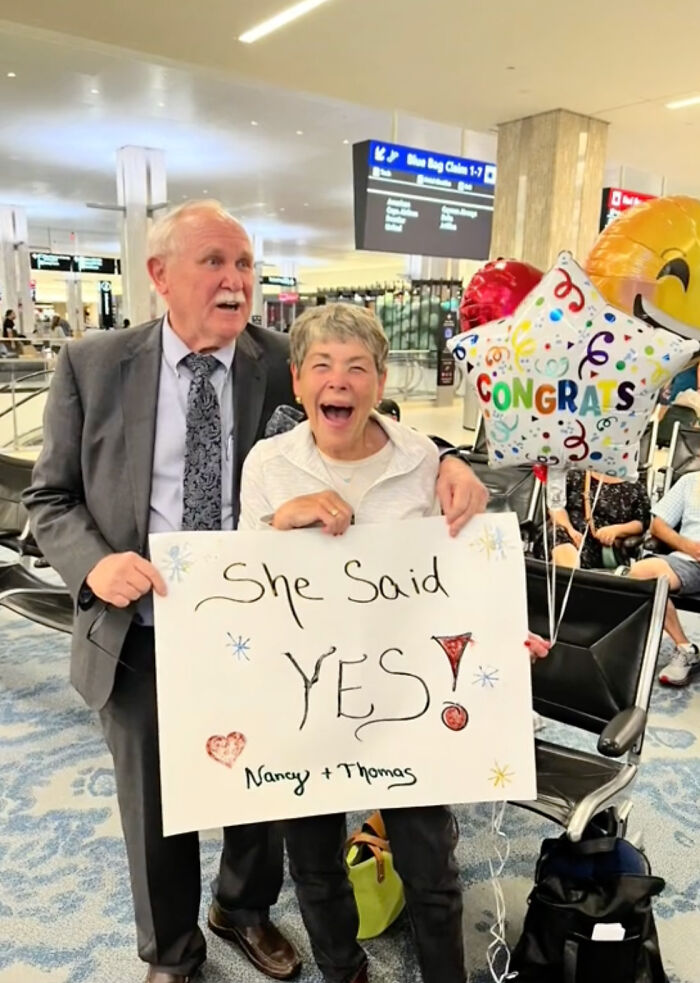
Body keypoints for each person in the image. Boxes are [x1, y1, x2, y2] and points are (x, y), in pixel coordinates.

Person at [23, 200, 490, 983]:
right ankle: (171, 950)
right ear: (159, 274)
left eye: (244, 264)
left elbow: (369, 415)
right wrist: (94, 564)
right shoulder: (93, 364)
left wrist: (448, 458)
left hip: (268, 624)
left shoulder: (279, 355)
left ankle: (241, 906)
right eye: (215, 262)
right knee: (157, 796)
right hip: (140, 618)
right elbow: (49, 498)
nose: (236, 281)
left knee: (264, 780)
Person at [239, 303, 549, 983]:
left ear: (381, 383)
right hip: (309, 694)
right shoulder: (268, 465)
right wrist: (277, 522)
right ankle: (343, 970)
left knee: (429, 861)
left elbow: (458, 573)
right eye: (321, 365)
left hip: (406, 695)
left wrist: (498, 634)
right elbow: (240, 586)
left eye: (356, 367)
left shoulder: (425, 462)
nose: (338, 380)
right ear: (297, 382)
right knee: (314, 863)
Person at [627, 471, 700, 686]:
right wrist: (690, 547)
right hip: (690, 561)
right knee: (641, 574)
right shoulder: (690, 481)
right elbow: (658, 526)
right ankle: (685, 648)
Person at [533, 470, 651, 570]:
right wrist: (570, 530)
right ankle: (566, 583)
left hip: (600, 546)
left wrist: (616, 530)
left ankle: (564, 586)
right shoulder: (575, 474)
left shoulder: (636, 487)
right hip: (565, 531)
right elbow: (555, 508)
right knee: (558, 535)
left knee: (572, 553)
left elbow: (641, 523)